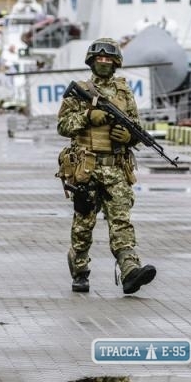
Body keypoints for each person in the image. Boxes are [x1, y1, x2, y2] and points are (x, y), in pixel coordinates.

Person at [57, 37, 156, 295]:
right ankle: (79, 270)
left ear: (116, 62)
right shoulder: (79, 90)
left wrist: (130, 137)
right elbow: (62, 126)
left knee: (121, 222)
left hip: (116, 168)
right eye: (99, 58)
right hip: (85, 168)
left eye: (108, 59)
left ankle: (130, 271)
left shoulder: (124, 92)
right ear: (91, 61)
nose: (103, 62)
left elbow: (135, 126)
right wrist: (88, 116)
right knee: (83, 225)